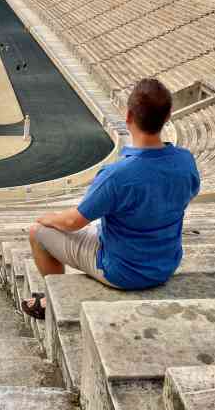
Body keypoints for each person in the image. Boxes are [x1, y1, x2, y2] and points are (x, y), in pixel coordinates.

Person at [21, 78, 200, 320]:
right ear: (168, 116)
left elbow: (73, 222)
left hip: (122, 271)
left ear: (128, 117)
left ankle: (53, 298)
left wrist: (48, 218)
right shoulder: (185, 161)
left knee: (38, 232)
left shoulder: (116, 176)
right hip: (165, 264)